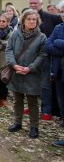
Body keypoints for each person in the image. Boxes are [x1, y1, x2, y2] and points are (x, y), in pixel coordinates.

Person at [6, 9, 47, 139]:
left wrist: (30, 68)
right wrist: (14, 65)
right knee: (17, 100)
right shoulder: (15, 34)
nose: (31, 21)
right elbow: (9, 50)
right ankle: (17, 123)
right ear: (23, 20)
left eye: (34, 19)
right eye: (29, 19)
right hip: (16, 71)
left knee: (32, 102)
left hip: (32, 74)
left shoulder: (42, 37)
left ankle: (34, 127)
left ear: (37, 21)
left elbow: (42, 55)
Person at [28, 0, 62, 121]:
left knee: (45, 84)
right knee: (32, 82)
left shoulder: (53, 18)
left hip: (47, 57)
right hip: (30, 56)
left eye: (35, 3)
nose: (33, 5)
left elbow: (57, 36)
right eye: (31, 3)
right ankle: (34, 106)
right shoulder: (26, 18)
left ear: (41, 4)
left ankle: (47, 110)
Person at [45, 10, 64, 147]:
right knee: (62, 103)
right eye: (63, 12)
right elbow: (48, 45)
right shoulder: (58, 28)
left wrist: (59, 42)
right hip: (59, 71)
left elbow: (54, 43)